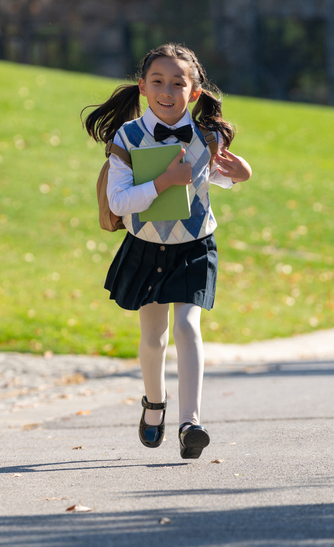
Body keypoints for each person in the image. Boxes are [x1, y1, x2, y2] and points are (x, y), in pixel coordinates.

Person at [82, 43, 252, 458]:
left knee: (187, 328)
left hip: (195, 246)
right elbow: (120, 203)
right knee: (154, 337)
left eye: (179, 83)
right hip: (147, 247)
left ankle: (190, 422)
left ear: (194, 93)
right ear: (142, 87)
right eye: (158, 81)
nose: (167, 90)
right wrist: (164, 182)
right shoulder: (128, 137)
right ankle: (154, 405)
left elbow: (217, 178)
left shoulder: (206, 136)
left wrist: (242, 173)